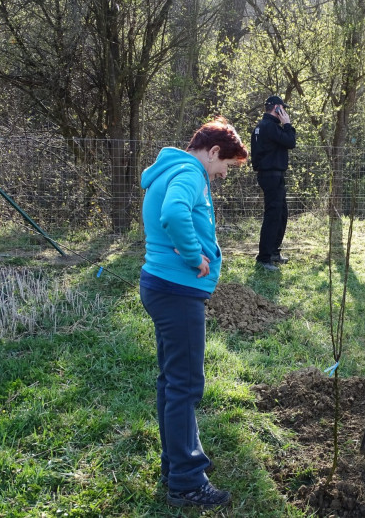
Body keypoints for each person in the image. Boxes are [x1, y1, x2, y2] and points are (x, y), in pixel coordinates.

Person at [139, 117, 248, 509]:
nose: (222, 175)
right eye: (226, 166)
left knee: (172, 381)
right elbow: (172, 214)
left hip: (161, 286)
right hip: (176, 291)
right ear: (214, 151)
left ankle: (174, 466)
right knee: (185, 385)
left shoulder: (170, 168)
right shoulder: (189, 171)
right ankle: (186, 482)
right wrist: (192, 254)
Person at [251, 95, 297, 271]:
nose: (284, 112)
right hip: (271, 175)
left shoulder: (261, 127)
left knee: (281, 213)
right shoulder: (269, 126)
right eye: (282, 109)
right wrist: (287, 124)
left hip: (271, 175)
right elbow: (290, 142)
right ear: (277, 108)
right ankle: (264, 257)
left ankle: (274, 252)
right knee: (273, 215)